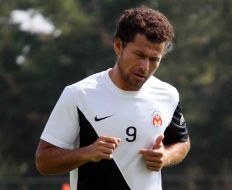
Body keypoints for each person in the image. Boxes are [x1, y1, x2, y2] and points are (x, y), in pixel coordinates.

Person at [35, 6, 190, 190]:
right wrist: (87, 153)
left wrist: (166, 156)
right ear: (118, 46)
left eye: (154, 59)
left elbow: (182, 142)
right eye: (139, 55)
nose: (145, 66)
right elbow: (43, 161)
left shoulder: (168, 94)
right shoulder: (79, 94)